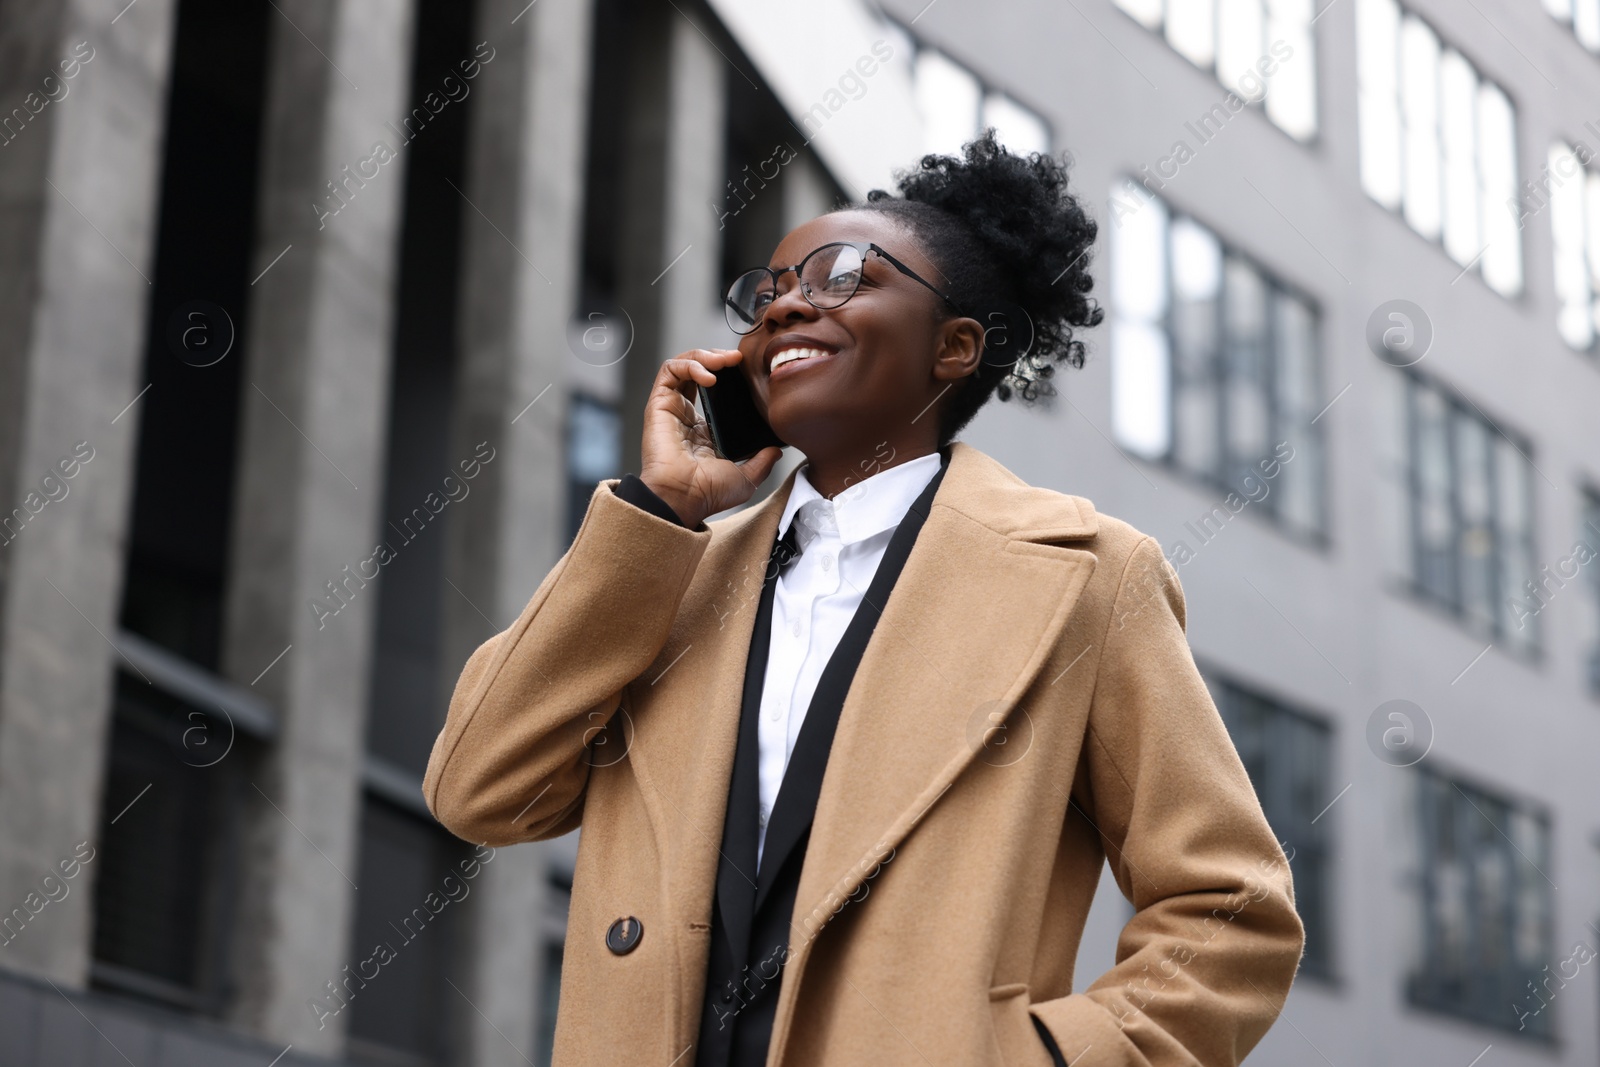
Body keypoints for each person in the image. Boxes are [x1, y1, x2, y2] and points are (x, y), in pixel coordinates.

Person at [423, 129, 1305, 1067]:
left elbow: (1231, 908)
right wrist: (658, 512)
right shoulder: (671, 570)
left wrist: (1044, 1056)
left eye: (843, 274)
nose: (787, 303)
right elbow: (480, 789)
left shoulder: (1087, 574)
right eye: (765, 293)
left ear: (955, 347)